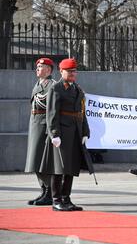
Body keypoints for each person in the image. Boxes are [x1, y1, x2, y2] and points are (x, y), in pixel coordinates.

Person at [40, 58, 92, 211]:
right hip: (62, 132)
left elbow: (82, 112)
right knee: (59, 167)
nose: (72, 74)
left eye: (74, 71)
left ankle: (66, 198)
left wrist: (84, 131)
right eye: (69, 71)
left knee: (71, 167)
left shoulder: (77, 89)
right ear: (61, 72)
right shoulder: (56, 88)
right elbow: (52, 113)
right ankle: (56, 200)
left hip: (75, 131)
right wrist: (54, 134)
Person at [24, 58, 56, 206]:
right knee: (35, 161)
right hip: (35, 125)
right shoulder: (37, 85)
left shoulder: (52, 85)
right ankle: (44, 190)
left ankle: (50, 192)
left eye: (41, 67)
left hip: (44, 128)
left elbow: (53, 111)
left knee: (43, 162)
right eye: (37, 66)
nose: (37, 69)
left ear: (49, 70)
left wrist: (52, 132)